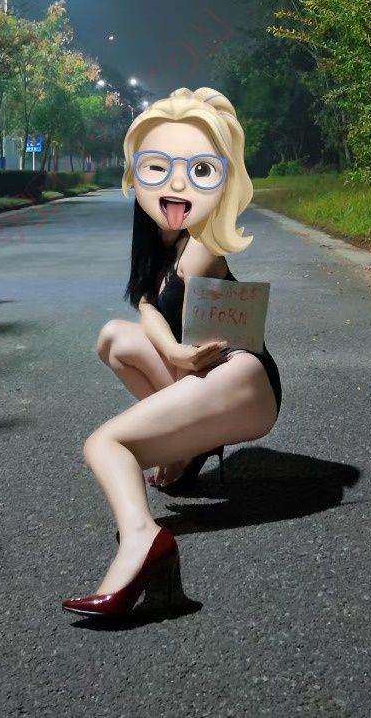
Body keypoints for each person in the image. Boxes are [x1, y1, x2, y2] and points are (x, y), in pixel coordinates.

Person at [62, 87, 282, 618]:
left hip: (241, 376)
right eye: (157, 168)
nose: (175, 185)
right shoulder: (159, 239)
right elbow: (145, 302)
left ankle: (144, 540)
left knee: (105, 445)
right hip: (201, 370)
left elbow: (195, 327)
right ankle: (184, 451)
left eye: (198, 170)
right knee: (114, 336)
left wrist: (183, 358)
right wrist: (174, 355)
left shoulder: (203, 240)